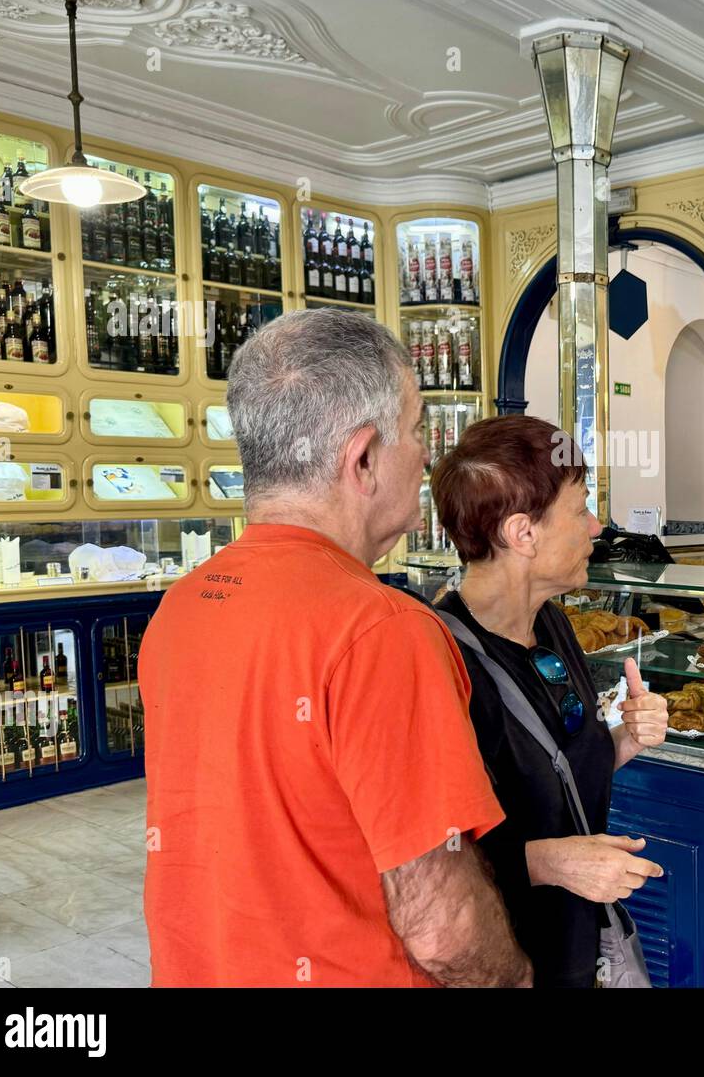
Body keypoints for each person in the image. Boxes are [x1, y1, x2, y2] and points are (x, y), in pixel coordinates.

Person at [139, 310, 530, 987]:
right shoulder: (382, 630)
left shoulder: (182, 607)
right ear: (363, 458)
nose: (424, 457)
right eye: (414, 432)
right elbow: (441, 924)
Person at [431, 415, 670, 987]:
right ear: (523, 534)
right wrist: (552, 861)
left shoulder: (554, 625)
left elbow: (556, 777)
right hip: (500, 963)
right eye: (582, 508)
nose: (595, 527)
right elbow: (431, 860)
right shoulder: (438, 659)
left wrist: (623, 740)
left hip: (574, 950)